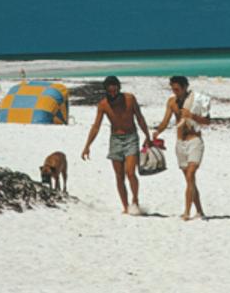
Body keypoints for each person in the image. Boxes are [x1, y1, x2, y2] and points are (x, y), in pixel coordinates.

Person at [81, 76, 151, 215]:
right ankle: (126, 207)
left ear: (119, 89)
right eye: (110, 92)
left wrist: (147, 136)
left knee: (130, 172)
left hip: (131, 137)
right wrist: (87, 145)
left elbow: (140, 117)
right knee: (119, 176)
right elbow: (96, 126)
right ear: (106, 91)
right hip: (115, 140)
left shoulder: (130, 99)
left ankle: (135, 201)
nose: (113, 94)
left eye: (115, 91)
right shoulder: (103, 105)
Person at [154, 75, 210, 220]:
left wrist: (191, 115)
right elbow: (166, 121)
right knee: (190, 180)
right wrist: (157, 132)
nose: (175, 92)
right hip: (180, 143)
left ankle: (187, 211)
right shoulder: (171, 102)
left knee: (191, 175)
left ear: (185, 87)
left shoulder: (196, 100)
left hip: (194, 141)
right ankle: (200, 211)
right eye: (173, 89)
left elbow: (207, 121)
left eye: (177, 89)